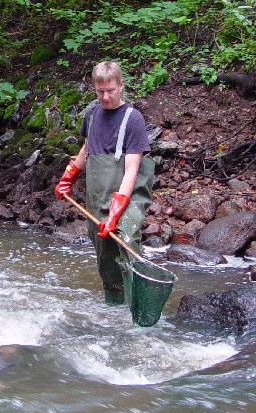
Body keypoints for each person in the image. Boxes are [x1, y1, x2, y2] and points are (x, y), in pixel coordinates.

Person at [54, 61, 154, 305]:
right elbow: (88, 148)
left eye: (111, 90)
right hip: (98, 194)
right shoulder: (92, 113)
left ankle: (137, 306)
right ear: (95, 88)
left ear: (120, 85)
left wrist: (116, 213)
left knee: (127, 238)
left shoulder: (133, 119)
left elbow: (131, 171)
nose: (106, 97)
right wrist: (70, 175)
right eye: (100, 92)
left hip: (127, 196)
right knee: (104, 253)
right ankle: (113, 306)